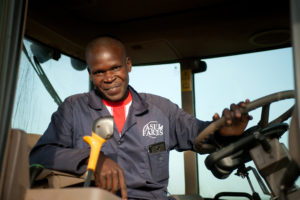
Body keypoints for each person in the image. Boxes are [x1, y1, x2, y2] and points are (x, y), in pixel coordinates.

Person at [30, 36, 251, 200]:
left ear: (128, 65)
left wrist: (224, 130)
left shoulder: (161, 109)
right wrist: (92, 160)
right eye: (99, 72)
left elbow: (198, 132)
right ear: (90, 73)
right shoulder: (73, 108)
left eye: (115, 68)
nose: (109, 78)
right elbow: (41, 153)